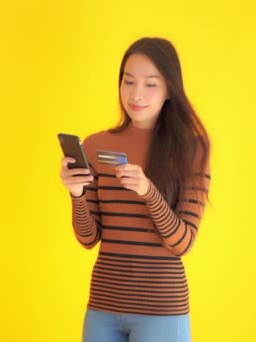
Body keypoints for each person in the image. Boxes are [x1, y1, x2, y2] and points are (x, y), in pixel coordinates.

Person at [59, 37, 211, 342]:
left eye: (150, 84)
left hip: (162, 310)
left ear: (170, 89)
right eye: (128, 82)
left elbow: (183, 243)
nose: (136, 94)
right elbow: (89, 238)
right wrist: (76, 194)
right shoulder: (96, 145)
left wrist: (148, 192)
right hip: (103, 306)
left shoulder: (191, 149)